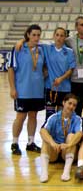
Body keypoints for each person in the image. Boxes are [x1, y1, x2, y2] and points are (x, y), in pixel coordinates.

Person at [8, 24, 45, 155]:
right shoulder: (18, 49)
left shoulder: (42, 50)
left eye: (38, 35)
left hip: (37, 91)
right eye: (33, 35)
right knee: (20, 116)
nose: (36, 37)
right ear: (28, 35)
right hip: (22, 90)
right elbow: (11, 69)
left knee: (33, 115)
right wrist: (12, 88)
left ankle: (30, 143)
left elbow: (45, 67)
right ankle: (14, 143)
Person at [39, 93, 82, 183]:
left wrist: (68, 145)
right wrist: (52, 143)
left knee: (71, 136)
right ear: (63, 103)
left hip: (67, 151)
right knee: (46, 138)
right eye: (69, 103)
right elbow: (42, 131)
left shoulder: (77, 119)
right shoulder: (54, 117)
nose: (71, 107)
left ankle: (66, 172)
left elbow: (79, 133)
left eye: (74, 105)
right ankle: (44, 172)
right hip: (54, 150)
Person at [43, 27, 76, 120]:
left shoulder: (69, 52)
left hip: (64, 89)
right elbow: (32, 42)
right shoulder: (47, 49)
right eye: (57, 35)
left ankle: (60, 133)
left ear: (65, 37)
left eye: (62, 35)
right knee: (49, 115)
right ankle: (49, 133)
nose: (59, 37)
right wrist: (21, 41)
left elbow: (71, 68)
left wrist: (61, 78)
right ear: (53, 36)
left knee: (62, 115)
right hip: (50, 87)